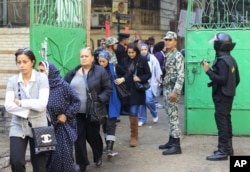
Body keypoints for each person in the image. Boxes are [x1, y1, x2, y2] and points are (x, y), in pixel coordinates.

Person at [64, 47, 112, 171]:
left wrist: (99, 99)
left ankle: (98, 154)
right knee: (78, 138)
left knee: (93, 136)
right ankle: (82, 164)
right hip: (76, 113)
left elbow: (108, 89)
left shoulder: (100, 71)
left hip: (93, 111)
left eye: (86, 56)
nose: (84, 58)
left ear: (92, 58)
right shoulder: (73, 72)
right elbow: (64, 88)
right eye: (82, 56)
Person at [4, 48, 49, 172]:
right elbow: (8, 105)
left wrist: (20, 102)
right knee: (16, 161)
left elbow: (42, 104)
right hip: (18, 125)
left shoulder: (42, 79)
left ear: (32, 62)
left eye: (25, 62)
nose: (22, 65)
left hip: (39, 125)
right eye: (19, 62)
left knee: (39, 164)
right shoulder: (12, 81)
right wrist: (27, 110)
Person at [202, 32, 240, 161]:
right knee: (226, 120)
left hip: (222, 97)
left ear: (219, 45)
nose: (214, 44)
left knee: (222, 122)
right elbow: (237, 79)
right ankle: (228, 149)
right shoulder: (231, 59)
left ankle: (222, 151)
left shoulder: (222, 61)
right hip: (228, 95)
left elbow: (222, 79)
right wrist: (229, 89)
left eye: (215, 42)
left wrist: (208, 71)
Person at [38, 61, 81, 171]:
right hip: (44, 128)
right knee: (46, 156)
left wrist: (66, 115)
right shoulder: (38, 88)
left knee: (62, 155)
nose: (39, 73)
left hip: (62, 127)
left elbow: (76, 102)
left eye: (42, 71)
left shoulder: (63, 86)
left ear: (50, 71)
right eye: (38, 71)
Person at [117, 43, 151, 147]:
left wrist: (140, 78)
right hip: (127, 90)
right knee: (131, 112)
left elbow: (148, 74)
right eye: (129, 52)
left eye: (133, 52)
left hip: (137, 90)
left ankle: (133, 136)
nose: (131, 54)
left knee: (133, 111)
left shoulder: (142, 60)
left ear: (136, 51)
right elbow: (122, 73)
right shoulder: (124, 60)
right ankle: (134, 134)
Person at [158, 31, 184, 155]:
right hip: (167, 88)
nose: (167, 42)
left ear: (175, 41)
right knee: (169, 115)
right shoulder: (168, 54)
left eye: (170, 40)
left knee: (173, 117)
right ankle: (171, 140)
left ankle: (177, 145)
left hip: (173, 90)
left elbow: (181, 76)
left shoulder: (177, 55)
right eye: (166, 40)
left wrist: (176, 92)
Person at [97, 50, 121, 158]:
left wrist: (122, 79)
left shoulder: (114, 68)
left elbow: (128, 73)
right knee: (104, 124)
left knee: (111, 124)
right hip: (102, 102)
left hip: (112, 101)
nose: (101, 64)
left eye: (103, 61)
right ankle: (107, 146)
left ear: (108, 60)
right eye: (100, 61)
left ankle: (110, 148)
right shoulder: (96, 70)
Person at [137, 43, 162, 126]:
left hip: (150, 83)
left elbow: (157, 69)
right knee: (140, 102)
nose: (143, 51)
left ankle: (154, 113)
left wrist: (159, 78)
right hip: (140, 83)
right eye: (142, 50)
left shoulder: (152, 58)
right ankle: (142, 119)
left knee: (148, 100)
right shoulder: (137, 59)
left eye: (145, 49)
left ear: (148, 50)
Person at [115, 33, 130, 116]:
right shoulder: (120, 49)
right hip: (121, 72)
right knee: (123, 91)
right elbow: (120, 62)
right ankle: (122, 109)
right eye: (127, 39)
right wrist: (124, 72)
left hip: (122, 71)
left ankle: (124, 108)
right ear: (123, 39)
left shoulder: (121, 48)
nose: (128, 41)